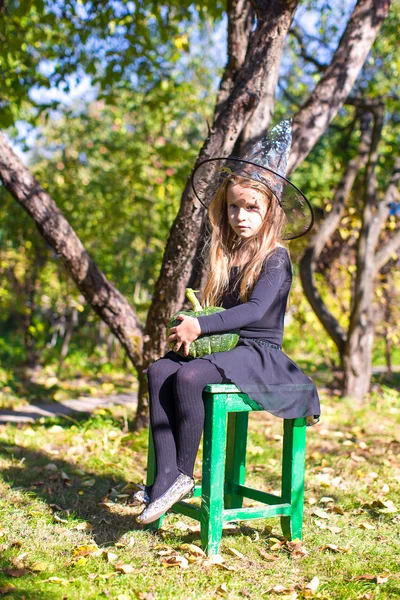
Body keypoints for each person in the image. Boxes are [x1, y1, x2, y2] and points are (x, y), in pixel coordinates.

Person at [135, 119, 320, 525]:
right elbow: (217, 309)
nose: (240, 215)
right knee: (160, 368)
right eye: (234, 206)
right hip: (227, 348)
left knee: (188, 378)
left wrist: (201, 328)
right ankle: (166, 478)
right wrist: (193, 322)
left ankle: (184, 472)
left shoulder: (275, 257)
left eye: (251, 207)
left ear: (270, 211)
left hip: (257, 353)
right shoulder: (228, 256)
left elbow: (254, 312)